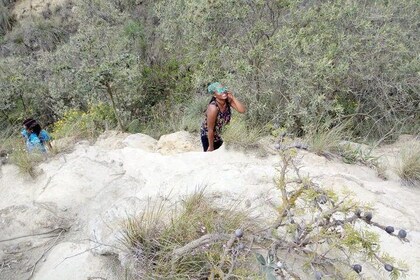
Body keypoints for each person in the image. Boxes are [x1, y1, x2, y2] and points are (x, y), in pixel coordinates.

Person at [200, 82, 246, 152]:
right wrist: (211, 146)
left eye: (223, 89)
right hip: (209, 137)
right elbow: (210, 129)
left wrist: (233, 97)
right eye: (219, 91)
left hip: (220, 135)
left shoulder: (227, 102)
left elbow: (242, 110)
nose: (223, 92)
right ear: (214, 95)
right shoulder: (213, 107)